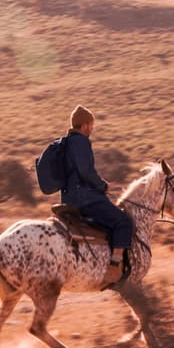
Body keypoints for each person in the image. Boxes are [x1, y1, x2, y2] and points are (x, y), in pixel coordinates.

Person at [62, 105, 133, 286]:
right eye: (91, 125)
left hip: (68, 198)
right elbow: (86, 171)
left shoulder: (65, 143)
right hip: (85, 198)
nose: (92, 129)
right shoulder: (80, 142)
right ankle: (113, 268)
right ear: (85, 125)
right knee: (123, 222)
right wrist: (101, 185)